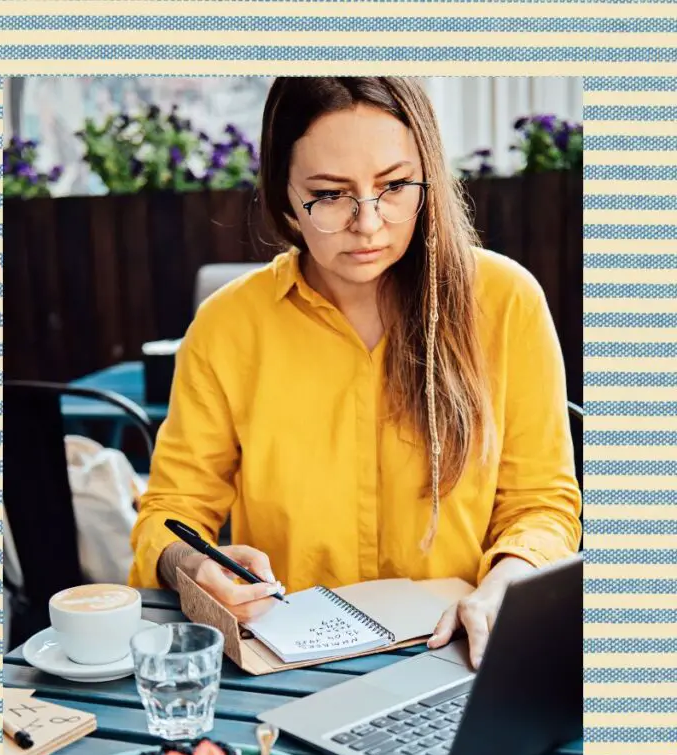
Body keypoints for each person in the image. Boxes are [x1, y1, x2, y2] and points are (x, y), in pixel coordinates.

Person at [130, 77, 582, 669]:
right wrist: (192, 563)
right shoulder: (227, 326)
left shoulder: (505, 301)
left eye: (394, 186)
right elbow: (171, 510)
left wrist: (508, 583)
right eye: (330, 194)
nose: (368, 223)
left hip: (465, 653)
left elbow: (542, 505)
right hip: (289, 664)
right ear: (285, 195)